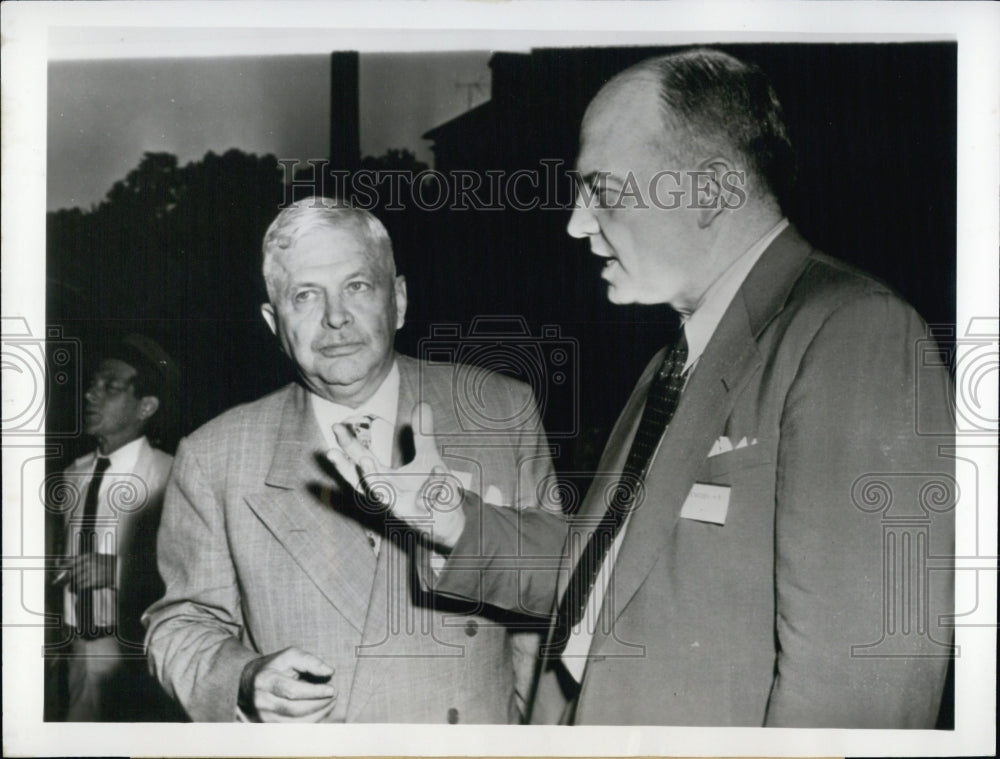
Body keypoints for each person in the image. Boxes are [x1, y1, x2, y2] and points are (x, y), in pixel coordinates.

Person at [329, 48, 955, 727]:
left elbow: (860, 698)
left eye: (602, 189)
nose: (576, 222)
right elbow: (611, 571)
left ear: (711, 190)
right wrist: (451, 518)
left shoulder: (855, 335)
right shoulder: (680, 354)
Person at [143, 199, 558, 723]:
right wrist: (244, 679)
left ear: (399, 301)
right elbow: (180, 624)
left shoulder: (500, 410)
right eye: (305, 295)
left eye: (357, 286)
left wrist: (519, 722)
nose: (336, 317)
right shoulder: (215, 455)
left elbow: (565, 584)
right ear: (275, 322)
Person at [49, 334, 181, 721]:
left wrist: (117, 570)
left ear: (146, 407)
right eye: (92, 384)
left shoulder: (171, 475)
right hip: (75, 650)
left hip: (136, 653)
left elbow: (195, 574)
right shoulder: (72, 476)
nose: (90, 395)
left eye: (109, 387)